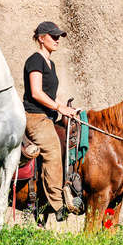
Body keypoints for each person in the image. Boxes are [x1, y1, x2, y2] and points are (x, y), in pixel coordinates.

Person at [23, 21, 83, 221]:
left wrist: (67, 110)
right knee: (52, 150)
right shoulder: (35, 60)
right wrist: (59, 108)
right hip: (35, 117)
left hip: (48, 116)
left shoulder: (51, 63)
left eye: (59, 37)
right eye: (53, 36)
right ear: (41, 38)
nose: (57, 40)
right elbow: (36, 92)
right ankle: (57, 204)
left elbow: (50, 94)